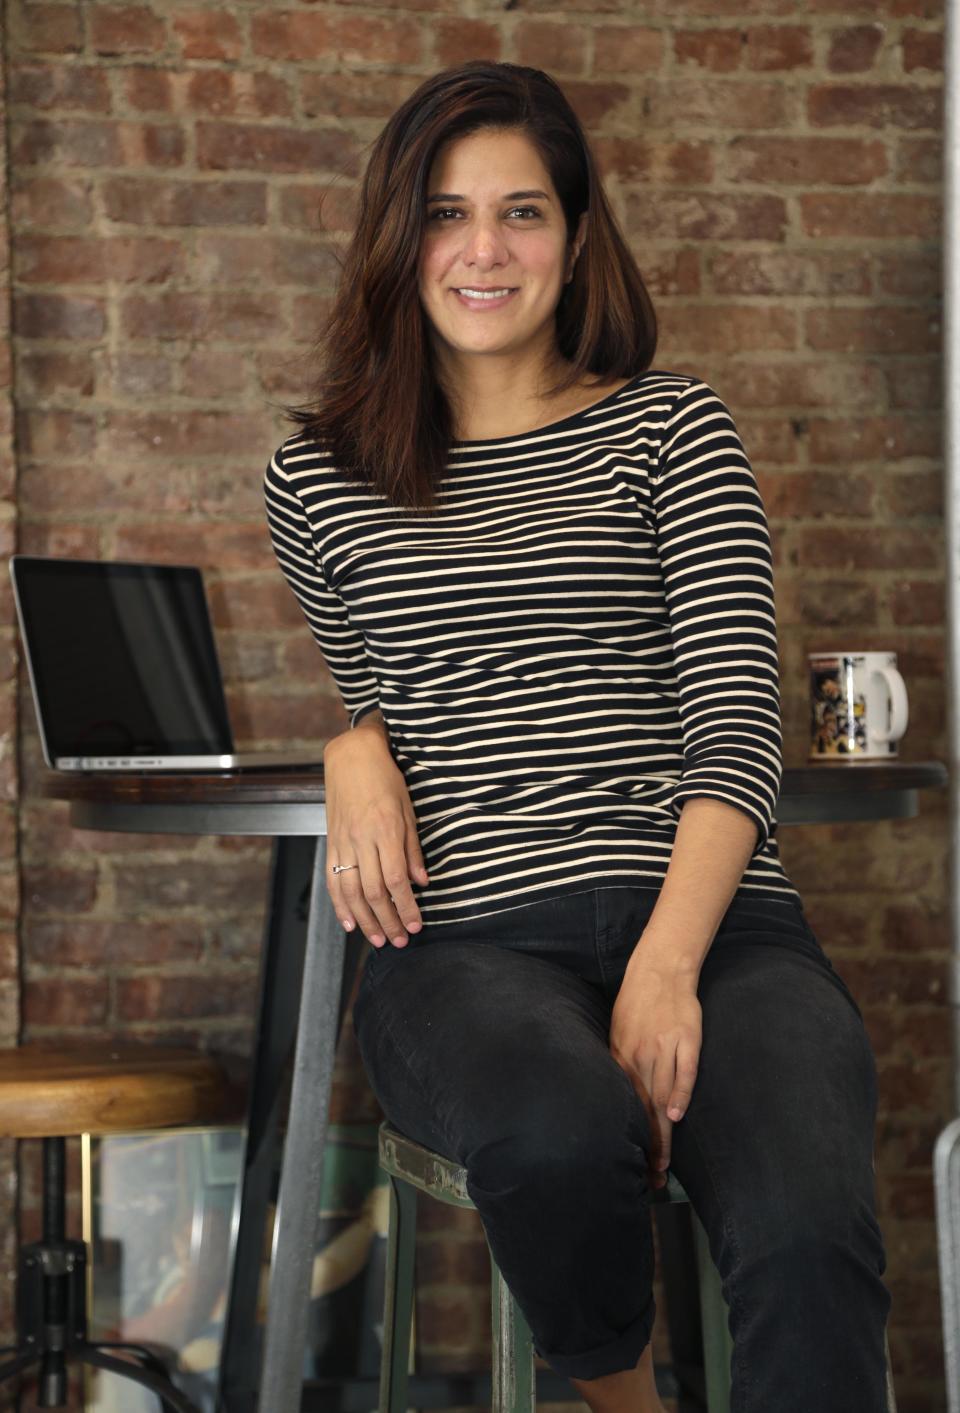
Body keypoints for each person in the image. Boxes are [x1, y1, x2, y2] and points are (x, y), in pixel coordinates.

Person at [264, 60, 892, 1413]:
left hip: (719, 930)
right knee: (555, 1127)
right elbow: (386, 686)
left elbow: (735, 723)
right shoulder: (313, 480)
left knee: (807, 1228)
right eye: (446, 212)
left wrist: (667, 966)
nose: (483, 250)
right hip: (469, 941)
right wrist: (348, 740)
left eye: (524, 211)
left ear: (578, 234)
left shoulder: (673, 430)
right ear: (397, 237)